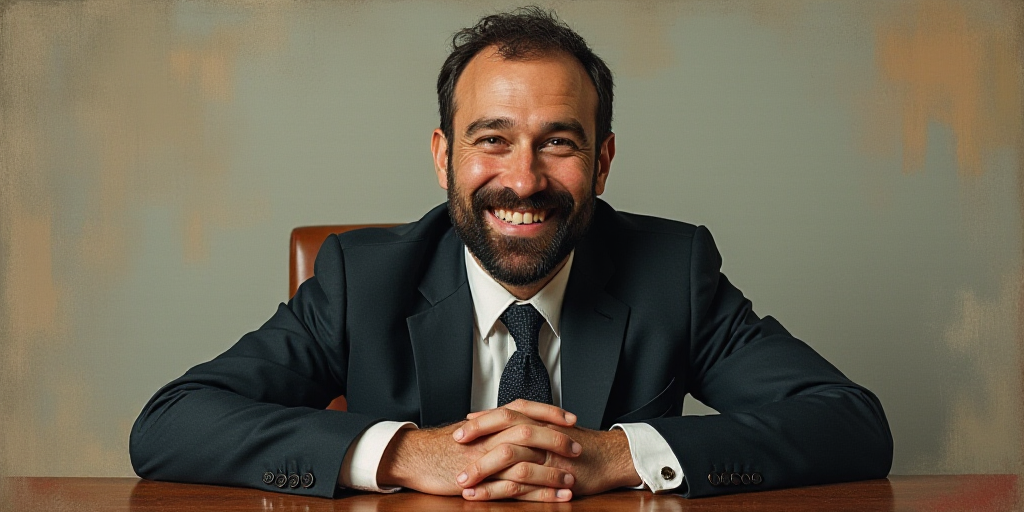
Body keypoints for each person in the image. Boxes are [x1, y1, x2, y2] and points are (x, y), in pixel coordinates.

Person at [129, 7, 892, 502]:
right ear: (443, 157)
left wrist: (623, 456)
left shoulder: (672, 271)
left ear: (602, 161)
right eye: (492, 140)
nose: (523, 179)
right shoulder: (361, 280)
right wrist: (402, 454)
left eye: (557, 143)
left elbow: (851, 424)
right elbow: (170, 424)